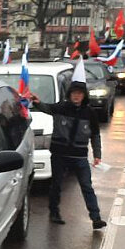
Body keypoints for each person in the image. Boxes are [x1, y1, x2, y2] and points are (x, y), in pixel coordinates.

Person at [31, 80, 106, 229]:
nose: (76, 96)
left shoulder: (90, 113)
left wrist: (97, 154)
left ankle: (96, 218)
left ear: (84, 95)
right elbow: (47, 108)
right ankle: (54, 212)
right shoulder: (61, 107)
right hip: (60, 154)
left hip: (80, 157)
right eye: (74, 93)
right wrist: (37, 102)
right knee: (56, 184)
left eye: (79, 93)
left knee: (87, 186)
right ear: (70, 94)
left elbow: (95, 135)